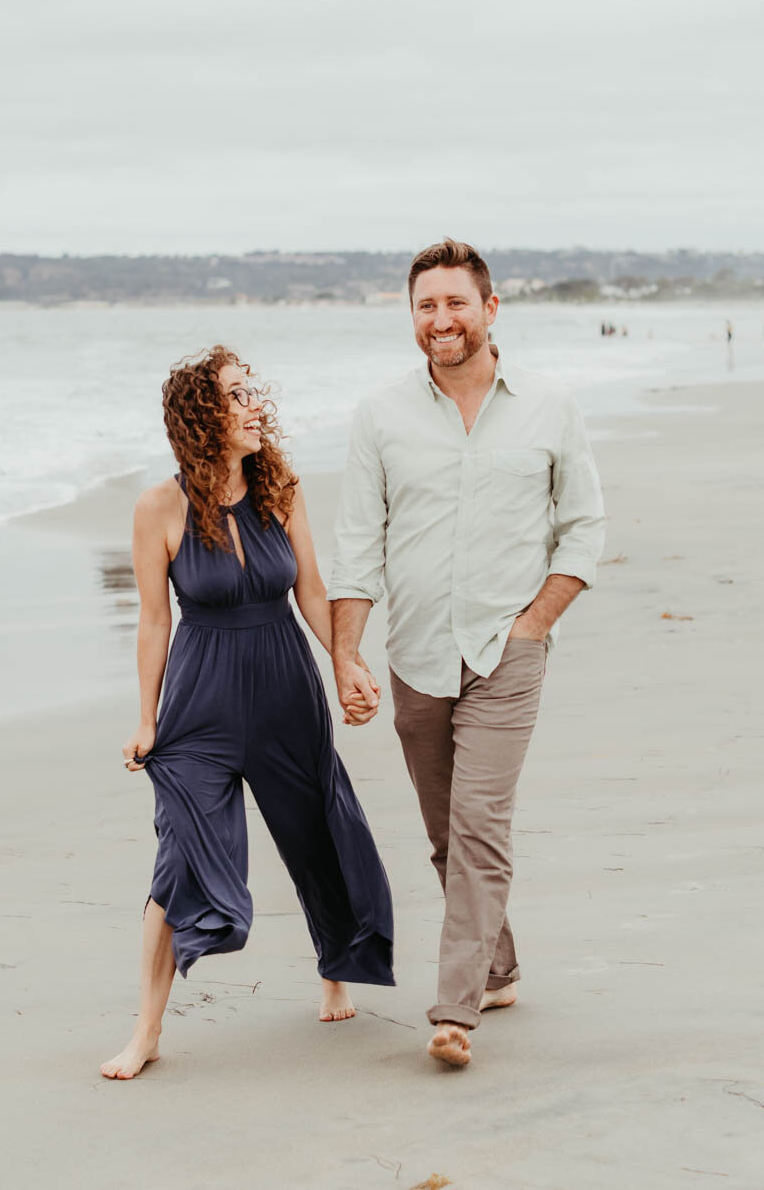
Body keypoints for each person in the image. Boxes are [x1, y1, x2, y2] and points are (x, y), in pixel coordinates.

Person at [329, 239, 607, 1068]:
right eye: (426, 305)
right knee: (449, 835)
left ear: (491, 309)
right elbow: (356, 545)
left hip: (507, 649)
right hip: (415, 652)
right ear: (412, 316)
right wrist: (347, 653)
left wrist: (535, 623)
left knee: (480, 826)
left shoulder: (550, 406)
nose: (441, 319)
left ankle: (455, 1011)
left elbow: (585, 526)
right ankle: (501, 963)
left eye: (456, 303)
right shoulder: (379, 415)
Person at [100, 347, 395, 1081]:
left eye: (251, 392)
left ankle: (335, 967)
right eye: (238, 395)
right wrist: (146, 718)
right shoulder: (158, 509)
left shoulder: (280, 490)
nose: (256, 404)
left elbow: (314, 594)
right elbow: (153, 620)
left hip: (284, 688)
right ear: (205, 418)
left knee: (313, 832)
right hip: (199, 703)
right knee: (180, 854)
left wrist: (347, 662)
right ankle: (146, 1028)